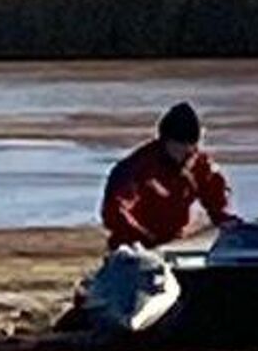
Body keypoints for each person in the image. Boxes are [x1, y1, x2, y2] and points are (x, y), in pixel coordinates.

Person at [100, 102, 237, 251]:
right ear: (165, 141)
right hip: (134, 247)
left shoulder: (199, 165)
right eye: (179, 146)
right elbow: (114, 211)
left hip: (176, 245)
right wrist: (145, 237)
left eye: (190, 146)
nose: (185, 152)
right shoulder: (137, 167)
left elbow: (219, 203)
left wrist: (227, 221)